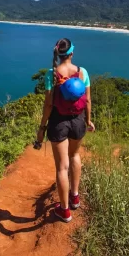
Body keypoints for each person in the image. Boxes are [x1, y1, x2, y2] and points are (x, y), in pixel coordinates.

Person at [36, 37, 95, 223]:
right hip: (78, 121)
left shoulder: (51, 74)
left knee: (62, 167)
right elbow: (87, 100)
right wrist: (88, 121)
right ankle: (75, 197)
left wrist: (42, 127)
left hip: (58, 122)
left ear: (58, 54)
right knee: (75, 156)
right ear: (72, 53)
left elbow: (48, 105)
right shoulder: (82, 72)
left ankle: (65, 211)